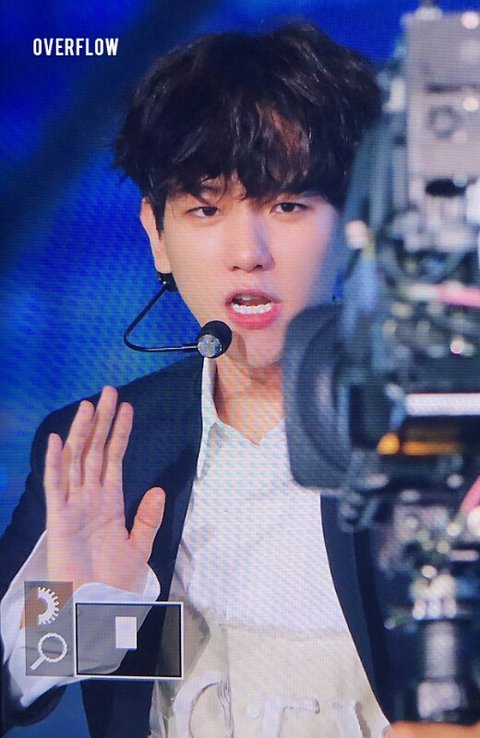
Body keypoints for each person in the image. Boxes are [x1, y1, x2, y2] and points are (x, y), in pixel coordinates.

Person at [1, 22, 479, 738]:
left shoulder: (437, 438)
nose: (246, 252)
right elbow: (25, 689)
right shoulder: (104, 449)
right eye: (204, 208)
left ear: (357, 223)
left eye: (287, 206)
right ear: (157, 235)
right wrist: (78, 613)